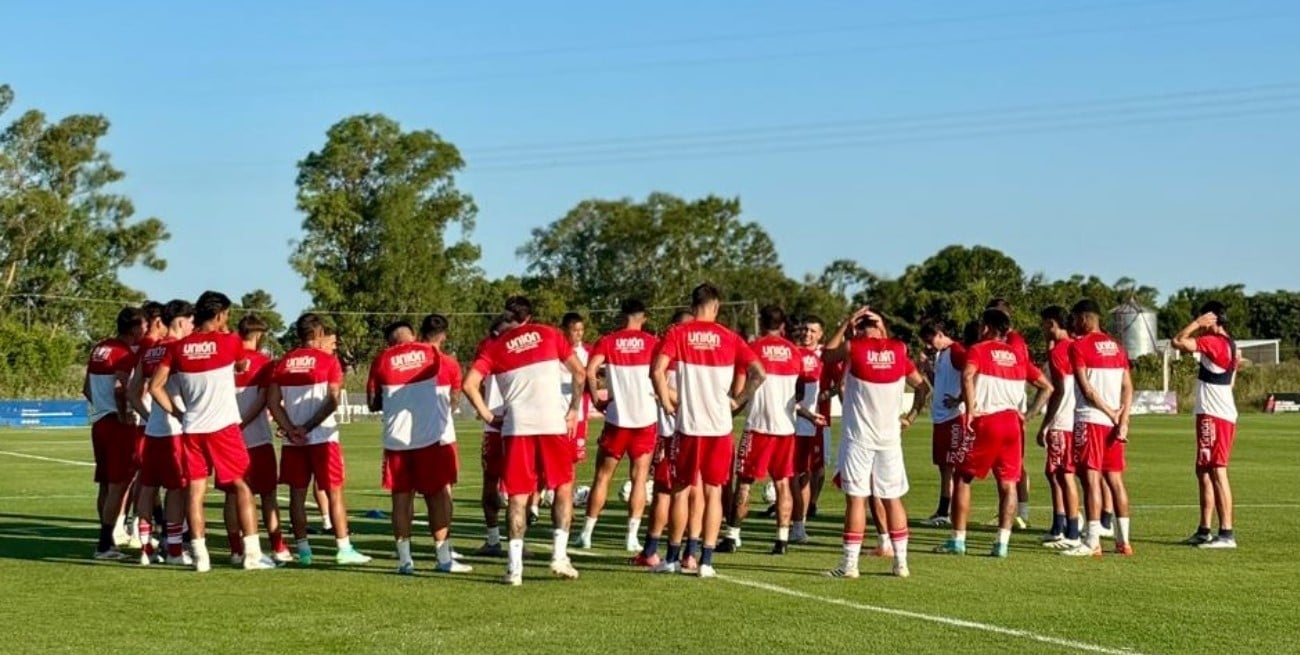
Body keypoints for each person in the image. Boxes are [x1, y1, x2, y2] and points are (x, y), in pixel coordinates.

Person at [463, 296, 587, 585]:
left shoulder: (495, 346)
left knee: (517, 495)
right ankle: (559, 556)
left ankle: (514, 569)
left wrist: (488, 416)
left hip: (516, 426)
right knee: (563, 487)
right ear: (529, 316)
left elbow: (469, 384)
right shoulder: (549, 333)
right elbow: (580, 373)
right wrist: (572, 411)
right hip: (552, 422)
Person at [147, 291, 273, 572]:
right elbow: (241, 364)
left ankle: (200, 556)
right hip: (223, 427)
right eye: (226, 315)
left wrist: (178, 413)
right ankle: (252, 554)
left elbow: (155, 387)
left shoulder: (178, 348)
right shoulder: (228, 341)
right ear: (219, 316)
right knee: (242, 486)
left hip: (191, 428)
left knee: (195, 491)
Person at [651, 283, 765, 578]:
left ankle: (673, 558)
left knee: (680, 491)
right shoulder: (730, 337)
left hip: (689, 426)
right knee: (714, 492)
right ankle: (706, 561)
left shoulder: (678, 333)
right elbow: (759, 373)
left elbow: (656, 371)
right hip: (719, 428)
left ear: (693, 305)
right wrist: (738, 400)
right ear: (716, 306)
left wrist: (665, 401)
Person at [821, 307, 929, 579]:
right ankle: (901, 563)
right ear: (881, 328)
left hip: (859, 439)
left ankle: (849, 565)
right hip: (889, 438)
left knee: (856, 500)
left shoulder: (854, 347)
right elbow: (922, 386)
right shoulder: (900, 350)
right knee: (893, 499)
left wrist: (846, 321)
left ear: (858, 329)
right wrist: (911, 416)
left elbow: (826, 354)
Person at [938, 309, 1052, 558]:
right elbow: (1047, 386)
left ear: (987, 327)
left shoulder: (978, 350)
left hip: (986, 421)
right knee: (1008, 483)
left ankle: (957, 540)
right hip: (1012, 423)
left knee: (962, 478)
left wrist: (969, 410)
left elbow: (967, 376)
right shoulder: (1018, 356)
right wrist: (1029, 414)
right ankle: (1002, 543)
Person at [367, 316, 472, 575]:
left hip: (396, 441)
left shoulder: (381, 360)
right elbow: (448, 389)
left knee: (401, 500)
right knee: (437, 497)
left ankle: (405, 561)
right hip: (428, 438)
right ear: (412, 335)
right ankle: (444, 558)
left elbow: (372, 402)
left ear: (390, 341)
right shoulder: (432, 355)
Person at [266, 313, 370, 566]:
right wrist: (307, 426)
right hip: (323, 438)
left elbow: (272, 403)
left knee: (296, 496)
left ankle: (303, 551)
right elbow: (332, 400)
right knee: (334, 493)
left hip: (294, 442)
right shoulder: (327, 361)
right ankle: (343, 548)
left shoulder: (282, 363)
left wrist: (291, 429)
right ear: (317, 334)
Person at [720, 305, 806, 555]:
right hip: (786, 428)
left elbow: (739, 390)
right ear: (782, 325)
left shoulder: (752, 349)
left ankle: (732, 536)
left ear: (761, 321)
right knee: (782, 484)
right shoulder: (794, 352)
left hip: (757, 426)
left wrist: (730, 408)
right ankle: (781, 540)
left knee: (745, 483)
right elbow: (801, 388)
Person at [576, 299, 659, 552]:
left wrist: (597, 399)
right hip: (645, 420)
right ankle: (631, 536)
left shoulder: (609, 341)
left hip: (617, 419)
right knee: (639, 478)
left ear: (623, 316)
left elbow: (589, 371)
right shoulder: (653, 343)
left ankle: (587, 533)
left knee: (602, 477)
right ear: (643, 317)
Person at [1061, 299, 1135, 557]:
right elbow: (1128, 386)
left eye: (1075, 318)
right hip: (1113, 424)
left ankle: (1092, 541)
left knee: (1091, 480)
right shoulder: (1117, 347)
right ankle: (1123, 541)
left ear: (1083, 318)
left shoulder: (1078, 346)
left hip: (1090, 419)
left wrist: (1109, 411)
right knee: (1115, 479)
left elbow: (1087, 390)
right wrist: (1122, 418)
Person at [127, 300, 193, 565]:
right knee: (177, 489)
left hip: (153, 429)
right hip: (176, 430)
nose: (192, 326)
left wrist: (150, 415)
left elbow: (133, 392)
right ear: (179, 321)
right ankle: (175, 550)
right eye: (190, 320)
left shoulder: (150, 351)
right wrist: (178, 413)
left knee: (148, 487)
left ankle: (146, 549)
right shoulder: (179, 349)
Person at [1171, 301, 1239, 549]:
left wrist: (1196, 324)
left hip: (1214, 414)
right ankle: (1204, 529)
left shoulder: (1214, 342)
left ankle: (1226, 533)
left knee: (1217, 470)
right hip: (1215, 412)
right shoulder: (1230, 343)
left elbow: (1177, 341)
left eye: (1203, 320)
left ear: (1212, 319)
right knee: (1204, 471)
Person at [632, 309, 694, 568]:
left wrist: (680, 403)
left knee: (664, 492)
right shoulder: (701, 355)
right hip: (699, 431)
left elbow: (658, 385)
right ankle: (691, 553)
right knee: (695, 493)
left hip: (672, 433)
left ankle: (653, 551)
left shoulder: (664, 354)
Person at [84, 306, 146, 560]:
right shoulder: (123, 354)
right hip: (117, 425)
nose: (145, 330)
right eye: (142, 326)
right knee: (120, 484)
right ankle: (105, 545)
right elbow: (121, 387)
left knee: (106, 483)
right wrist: (122, 414)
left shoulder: (100, 349)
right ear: (133, 328)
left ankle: (107, 538)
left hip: (99, 421)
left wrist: (101, 406)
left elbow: (86, 388)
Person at [229, 314, 292, 564]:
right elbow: (264, 399)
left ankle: (236, 550)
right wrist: (244, 423)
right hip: (256, 438)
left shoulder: (226, 362)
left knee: (232, 495)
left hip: (228, 437)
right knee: (268, 495)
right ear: (257, 335)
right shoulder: (264, 363)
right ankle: (278, 546)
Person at [1036, 306, 1083, 549]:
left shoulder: (1059, 352)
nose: (1042, 329)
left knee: (1062, 475)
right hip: (1076, 420)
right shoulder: (1075, 345)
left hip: (1062, 421)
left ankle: (1070, 531)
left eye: (1044, 324)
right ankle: (1060, 526)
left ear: (1052, 324)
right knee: (1057, 474)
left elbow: (1058, 390)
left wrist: (1045, 423)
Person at [471, 313, 518, 556]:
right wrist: (487, 413)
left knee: (523, 484)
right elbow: (473, 383)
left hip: (522, 425)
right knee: (491, 482)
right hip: (495, 428)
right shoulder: (488, 347)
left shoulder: (525, 346)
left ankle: (516, 542)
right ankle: (493, 538)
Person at [918, 318, 965, 527]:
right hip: (941, 418)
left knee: (951, 467)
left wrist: (961, 398)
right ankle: (944, 510)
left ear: (939, 334)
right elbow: (940, 383)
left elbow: (973, 372)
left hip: (954, 418)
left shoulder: (956, 351)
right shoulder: (940, 355)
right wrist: (927, 369)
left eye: (929, 341)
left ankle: (947, 512)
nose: (928, 346)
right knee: (943, 466)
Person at [790, 317, 827, 543]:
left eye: (813, 330)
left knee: (804, 475)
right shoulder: (791, 352)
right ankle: (789, 525)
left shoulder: (823, 357)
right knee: (790, 476)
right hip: (786, 423)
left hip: (808, 426)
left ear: (820, 335)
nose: (807, 333)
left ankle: (798, 525)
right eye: (804, 328)